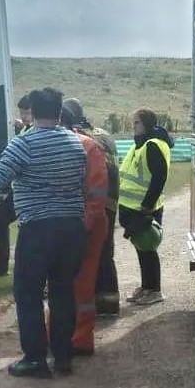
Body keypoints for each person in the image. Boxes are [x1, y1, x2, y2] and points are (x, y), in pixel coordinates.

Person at [0, 87, 86, 378]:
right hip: (72, 227)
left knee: (28, 293)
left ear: (32, 113)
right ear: (60, 112)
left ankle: (35, 358)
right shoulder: (75, 144)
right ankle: (63, 356)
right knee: (62, 291)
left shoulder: (24, 144)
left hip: (38, 228)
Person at [60, 102, 109, 356]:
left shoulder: (87, 147)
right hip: (82, 224)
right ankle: (73, 337)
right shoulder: (89, 146)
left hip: (82, 225)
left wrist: (84, 226)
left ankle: (75, 338)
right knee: (78, 284)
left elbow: (97, 193)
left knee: (75, 283)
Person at [63, 97, 121, 315]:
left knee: (88, 253)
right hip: (111, 199)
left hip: (92, 200)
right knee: (106, 250)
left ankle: (88, 304)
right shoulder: (104, 134)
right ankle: (109, 302)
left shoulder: (80, 138)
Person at [119, 108, 173, 306]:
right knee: (141, 248)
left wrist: (147, 206)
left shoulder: (152, 145)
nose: (134, 126)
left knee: (148, 247)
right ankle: (146, 287)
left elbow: (159, 178)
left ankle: (155, 290)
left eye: (136, 123)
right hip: (135, 207)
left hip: (145, 208)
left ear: (147, 124)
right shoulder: (141, 144)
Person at [0, 94, 34, 277]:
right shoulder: (27, 129)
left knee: (3, 221)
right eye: (22, 112)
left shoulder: (30, 132)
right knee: (0, 220)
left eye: (27, 112)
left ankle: (2, 265)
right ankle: (1, 265)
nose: (24, 116)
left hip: (27, 191)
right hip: (20, 189)